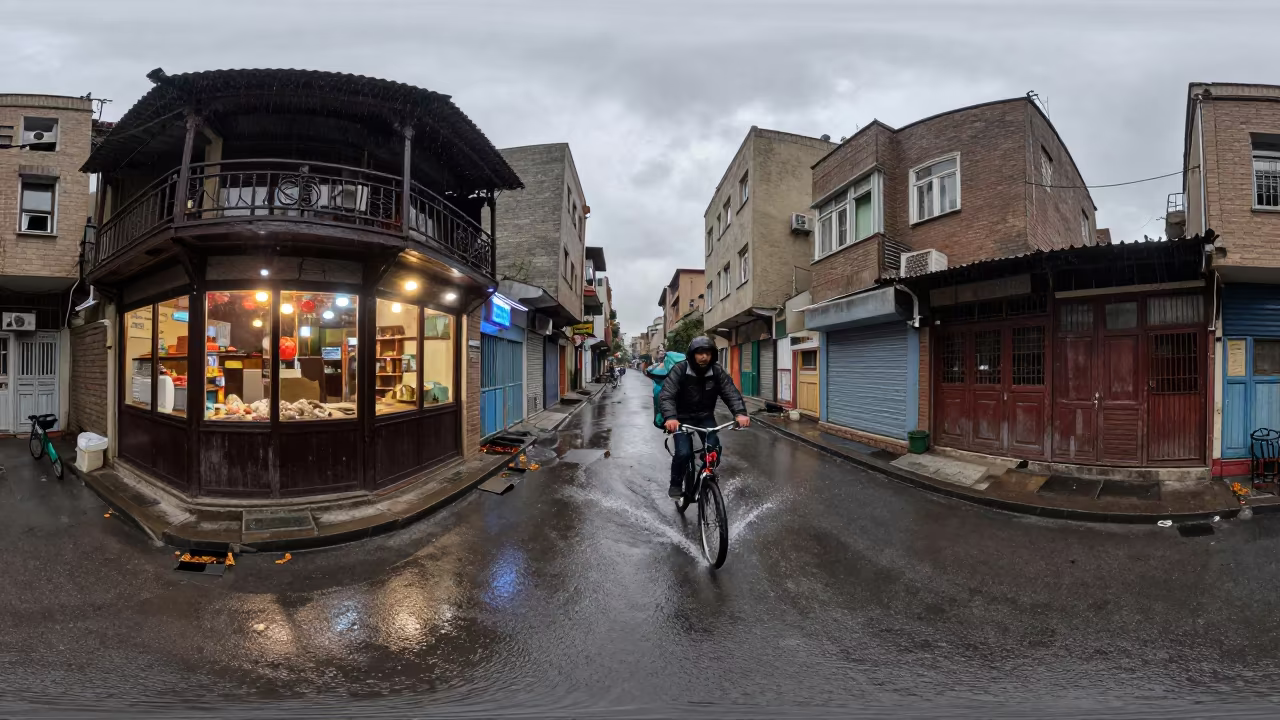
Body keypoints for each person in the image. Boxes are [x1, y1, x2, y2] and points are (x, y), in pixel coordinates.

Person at [657, 336, 750, 498]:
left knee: (714, 450)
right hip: (681, 418)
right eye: (700, 353)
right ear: (692, 354)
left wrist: (740, 413)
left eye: (707, 353)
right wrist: (671, 417)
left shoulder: (716, 371)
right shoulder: (680, 369)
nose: (704, 357)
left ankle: (706, 477)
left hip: (705, 417)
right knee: (684, 452)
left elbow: (730, 392)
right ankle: (676, 483)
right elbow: (667, 395)